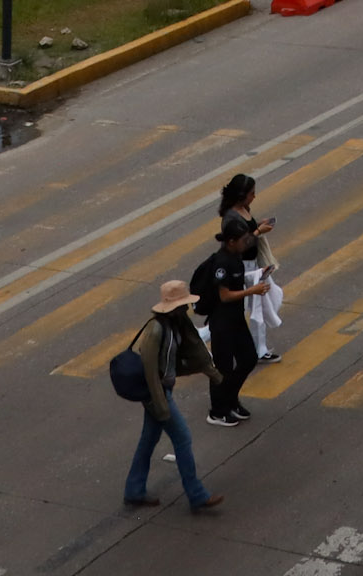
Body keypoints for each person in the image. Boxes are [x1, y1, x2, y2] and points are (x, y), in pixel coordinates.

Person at [123, 281, 222, 514]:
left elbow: (195, 349)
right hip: (155, 392)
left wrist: (214, 374)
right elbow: (149, 371)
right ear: (173, 307)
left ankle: (133, 491)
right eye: (183, 305)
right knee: (183, 439)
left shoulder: (178, 323)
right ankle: (196, 495)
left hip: (162, 390)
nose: (186, 309)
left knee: (148, 441)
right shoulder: (156, 329)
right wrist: (160, 404)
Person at [193, 215, 270, 424]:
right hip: (222, 322)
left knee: (248, 358)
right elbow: (224, 295)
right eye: (243, 239)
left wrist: (256, 275)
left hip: (235, 319)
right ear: (231, 241)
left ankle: (230, 399)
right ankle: (217, 411)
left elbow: (237, 279)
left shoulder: (236, 256)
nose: (247, 242)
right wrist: (252, 290)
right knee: (222, 367)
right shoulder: (222, 262)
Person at [219, 173, 283, 359]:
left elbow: (247, 230)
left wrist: (259, 224)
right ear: (241, 195)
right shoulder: (231, 217)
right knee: (249, 308)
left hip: (254, 265)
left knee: (264, 302)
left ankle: (259, 348)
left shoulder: (243, 209)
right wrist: (257, 231)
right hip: (243, 267)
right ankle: (208, 335)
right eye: (251, 193)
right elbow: (240, 243)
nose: (254, 196)